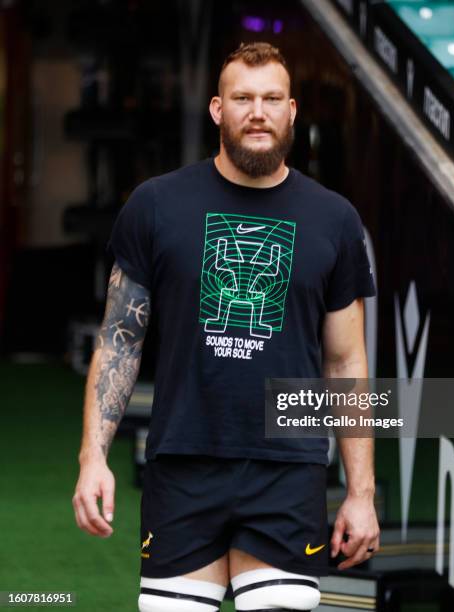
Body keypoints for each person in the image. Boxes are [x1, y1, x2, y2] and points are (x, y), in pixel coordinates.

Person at [72, 41, 380, 612]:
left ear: (293, 110)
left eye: (271, 98)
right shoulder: (156, 205)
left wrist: (361, 493)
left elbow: (347, 364)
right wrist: (94, 459)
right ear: (218, 109)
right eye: (242, 98)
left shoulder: (334, 220)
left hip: (286, 470)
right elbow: (120, 339)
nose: (257, 111)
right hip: (184, 462)